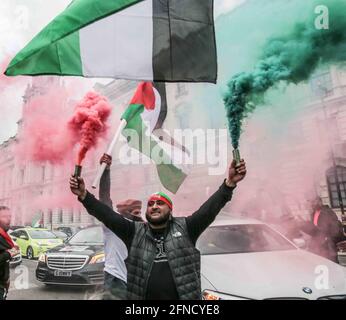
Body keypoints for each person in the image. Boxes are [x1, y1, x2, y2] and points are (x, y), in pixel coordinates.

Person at [70, 159, 247, 300]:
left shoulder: (187, 227)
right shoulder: (134, 232)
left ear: (170, 210)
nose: (154, 206)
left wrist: (229, 183)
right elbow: (106, 213)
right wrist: (84, 196)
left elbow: (210, 209)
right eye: (151, 204)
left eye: (160, 203)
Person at [99, 154, 143, 300]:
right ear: (125, 213)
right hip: (116, 278)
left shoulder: (139, 226)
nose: (137, 214)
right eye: (134, 211)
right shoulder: (112, 225)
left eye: (139, 211)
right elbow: (105, 198)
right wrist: (105, 171)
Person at [299, 197, 346, 263]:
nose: (312, 204)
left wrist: (328, 238)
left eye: (314, 202)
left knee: (332, 263)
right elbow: (315, 229)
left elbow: (334, 227)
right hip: (318, 245)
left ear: (320, 202)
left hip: (328, 245)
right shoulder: (314, 213)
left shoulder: (327, 211)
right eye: (311, 202)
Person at [0, 206, 20, 300]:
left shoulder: (4, 236)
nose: (9, 219)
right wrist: (11, 252)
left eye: (10, 216)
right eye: (4, 216)